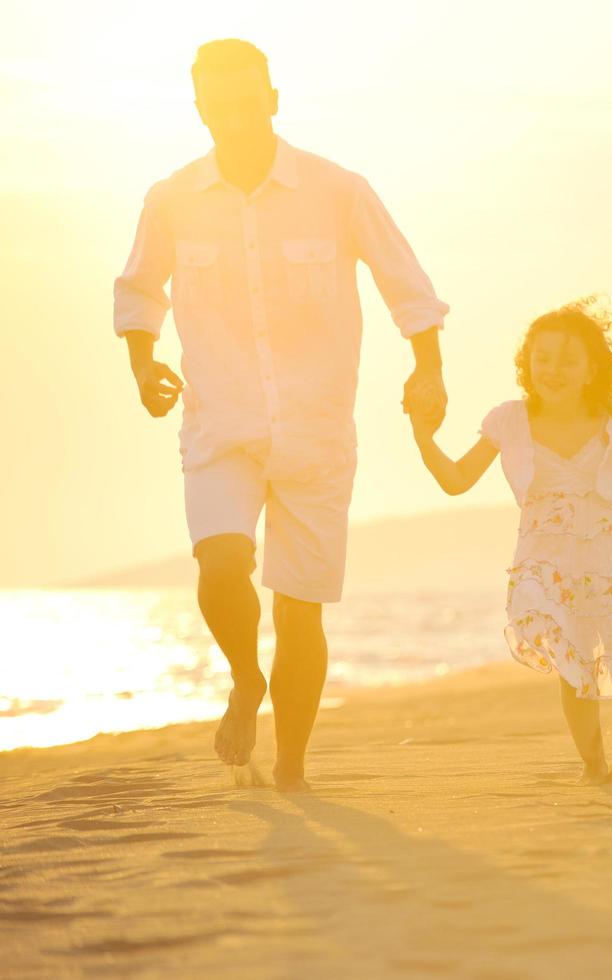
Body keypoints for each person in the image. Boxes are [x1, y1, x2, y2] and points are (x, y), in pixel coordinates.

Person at [113, 40, 450, 791]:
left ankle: (292, 766)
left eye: (246, 100)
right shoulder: (170, 199)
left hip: (316, 431)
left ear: (273, 98)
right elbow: (138, 290)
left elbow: (407, 283)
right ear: (199, 108)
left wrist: (429, 367)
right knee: (220, 562)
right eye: (216, 104)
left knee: (301, 615)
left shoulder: (338, 190)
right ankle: (243, 679)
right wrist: (142, 365)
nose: (233, 118)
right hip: (218, 423)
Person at [407, 299, 612, 785]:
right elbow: (457, 480)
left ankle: (596, 760)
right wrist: (422, 437)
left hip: (607, 557)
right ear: (527, 363)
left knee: (602, 657)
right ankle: (594, 764)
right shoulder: (509, 422)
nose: (553, 369)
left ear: (591, 369)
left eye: (567, 359)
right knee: (573, 663)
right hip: (545, 563)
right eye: (543, 357)